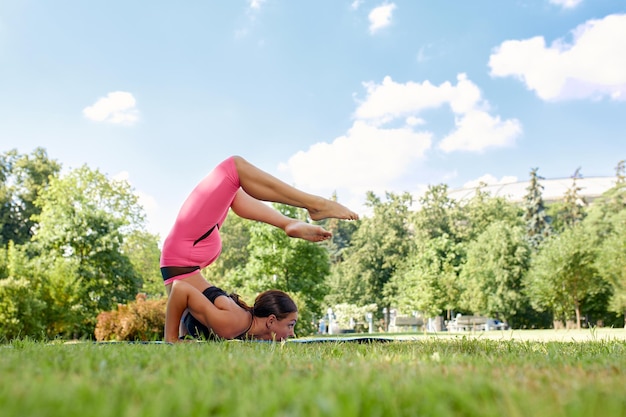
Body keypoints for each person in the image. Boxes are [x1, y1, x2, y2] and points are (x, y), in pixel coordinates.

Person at [162, 155, 358, 343]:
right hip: (188, 253)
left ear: (270, 321)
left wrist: (179, 337)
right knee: (233, 173)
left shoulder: (234, 325)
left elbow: (180, 291)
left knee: (233, 175)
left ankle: (293, 220)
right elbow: (181, 293)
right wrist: (173, 338)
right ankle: (313, 206)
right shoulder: (234, 325)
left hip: (187, 252)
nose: (292, 334)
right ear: (271, 320)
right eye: (291, 325)